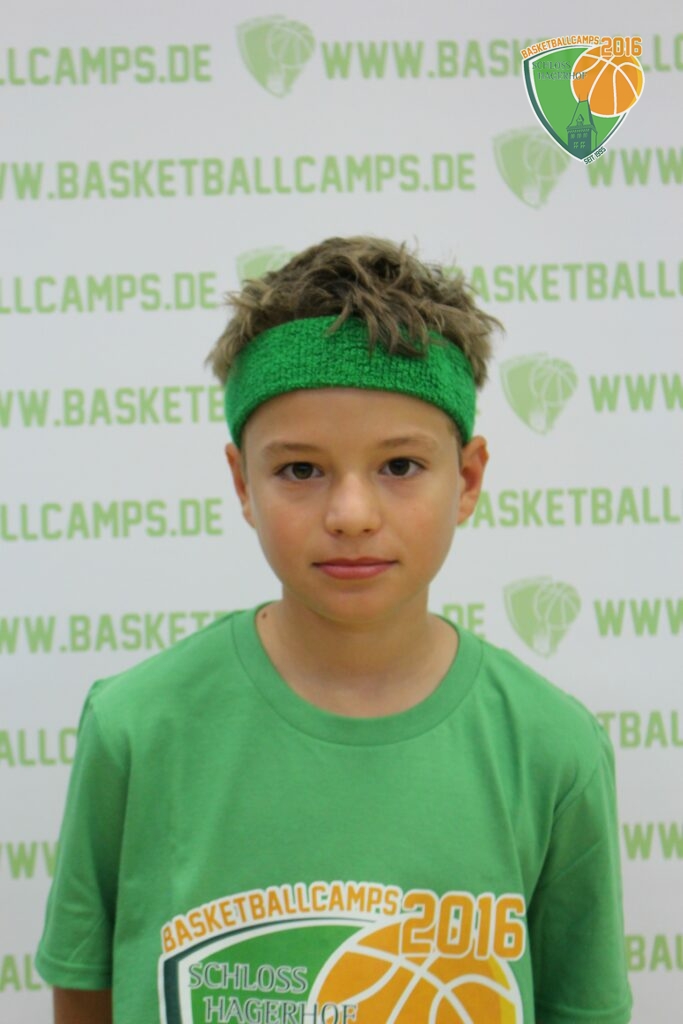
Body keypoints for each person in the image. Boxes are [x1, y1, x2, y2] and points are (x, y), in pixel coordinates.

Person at [37, 237, 632, 1024]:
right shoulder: (138, 726)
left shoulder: (552, 747)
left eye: (399, 466)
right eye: (300, 470)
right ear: (241, 482)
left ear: (467, 478)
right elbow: (86, 991)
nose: (351, 515)